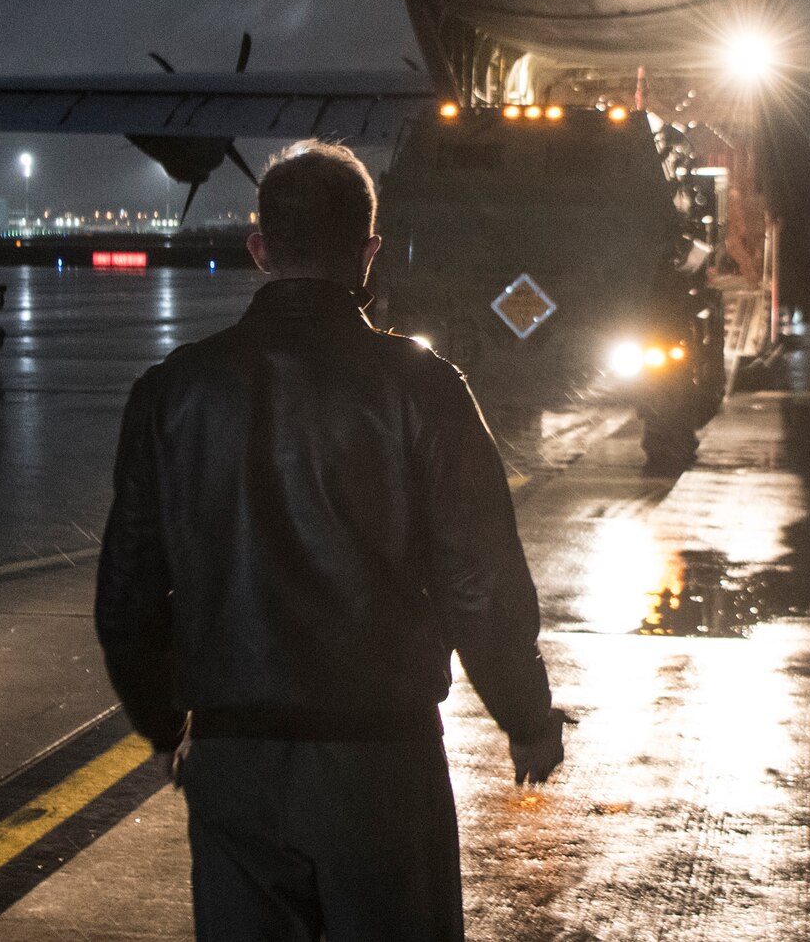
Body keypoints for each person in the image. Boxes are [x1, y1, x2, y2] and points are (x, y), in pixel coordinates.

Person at [96, 139, 564, 941]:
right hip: (381, 759)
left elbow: (129, 595)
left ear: (258, 248)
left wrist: (164, 724)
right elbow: (478, 582)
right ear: (369, 252)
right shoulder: (426, 388)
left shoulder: (172, 390)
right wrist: (526, 714)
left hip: (235, 758)